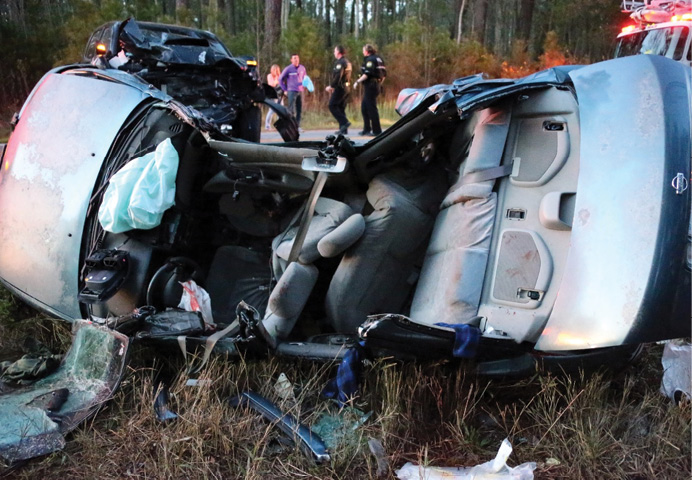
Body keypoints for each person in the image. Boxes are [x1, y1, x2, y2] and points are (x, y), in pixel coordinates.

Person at [354, 44, 386, 136]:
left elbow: (367, 74)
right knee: (364, 107)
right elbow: (384, 75)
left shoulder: (370, 60)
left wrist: (357, 81)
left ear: (367, 51)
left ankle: (377, 130)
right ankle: (367, 129)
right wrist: (379, 84)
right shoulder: (379, 59)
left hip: (371, 85)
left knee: (371, 108)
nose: (362, 51)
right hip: (375, 85)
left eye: (363, 50)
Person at [325, 45, 352, 134]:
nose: (334, 53)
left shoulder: (340, 62)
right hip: (347, 87)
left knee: (332, 105)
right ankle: (343, 130)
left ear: (339, 52)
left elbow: (338, 76)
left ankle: (344, 122)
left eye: (335, 51)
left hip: (341, 87)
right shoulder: (347, 62)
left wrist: (331, 86)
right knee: (340, 107)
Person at [278, 53, 307, 128]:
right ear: (291, 60)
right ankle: (290, 126)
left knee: (299, 109)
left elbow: (305, 78)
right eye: (294, 58)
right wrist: (285, 89)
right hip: (291, 91)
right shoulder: (288, 69)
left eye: (297, 58)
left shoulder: (302, 68)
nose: (296, 60)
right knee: (291, 110)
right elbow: (280, 79)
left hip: (300, 91)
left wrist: (306, 84)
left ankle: (297, 126)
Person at [265, 64, 283, 130]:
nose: (275, 71)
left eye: (277, 70)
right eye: (274, 70)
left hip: (279, 94)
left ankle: (280, 125)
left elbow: (282, 84)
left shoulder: (279, 76)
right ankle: (267, 125)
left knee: (281, 110)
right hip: (272, 95)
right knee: (272, 110)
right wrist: (277, 81)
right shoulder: (269, 76)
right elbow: (271, 84)